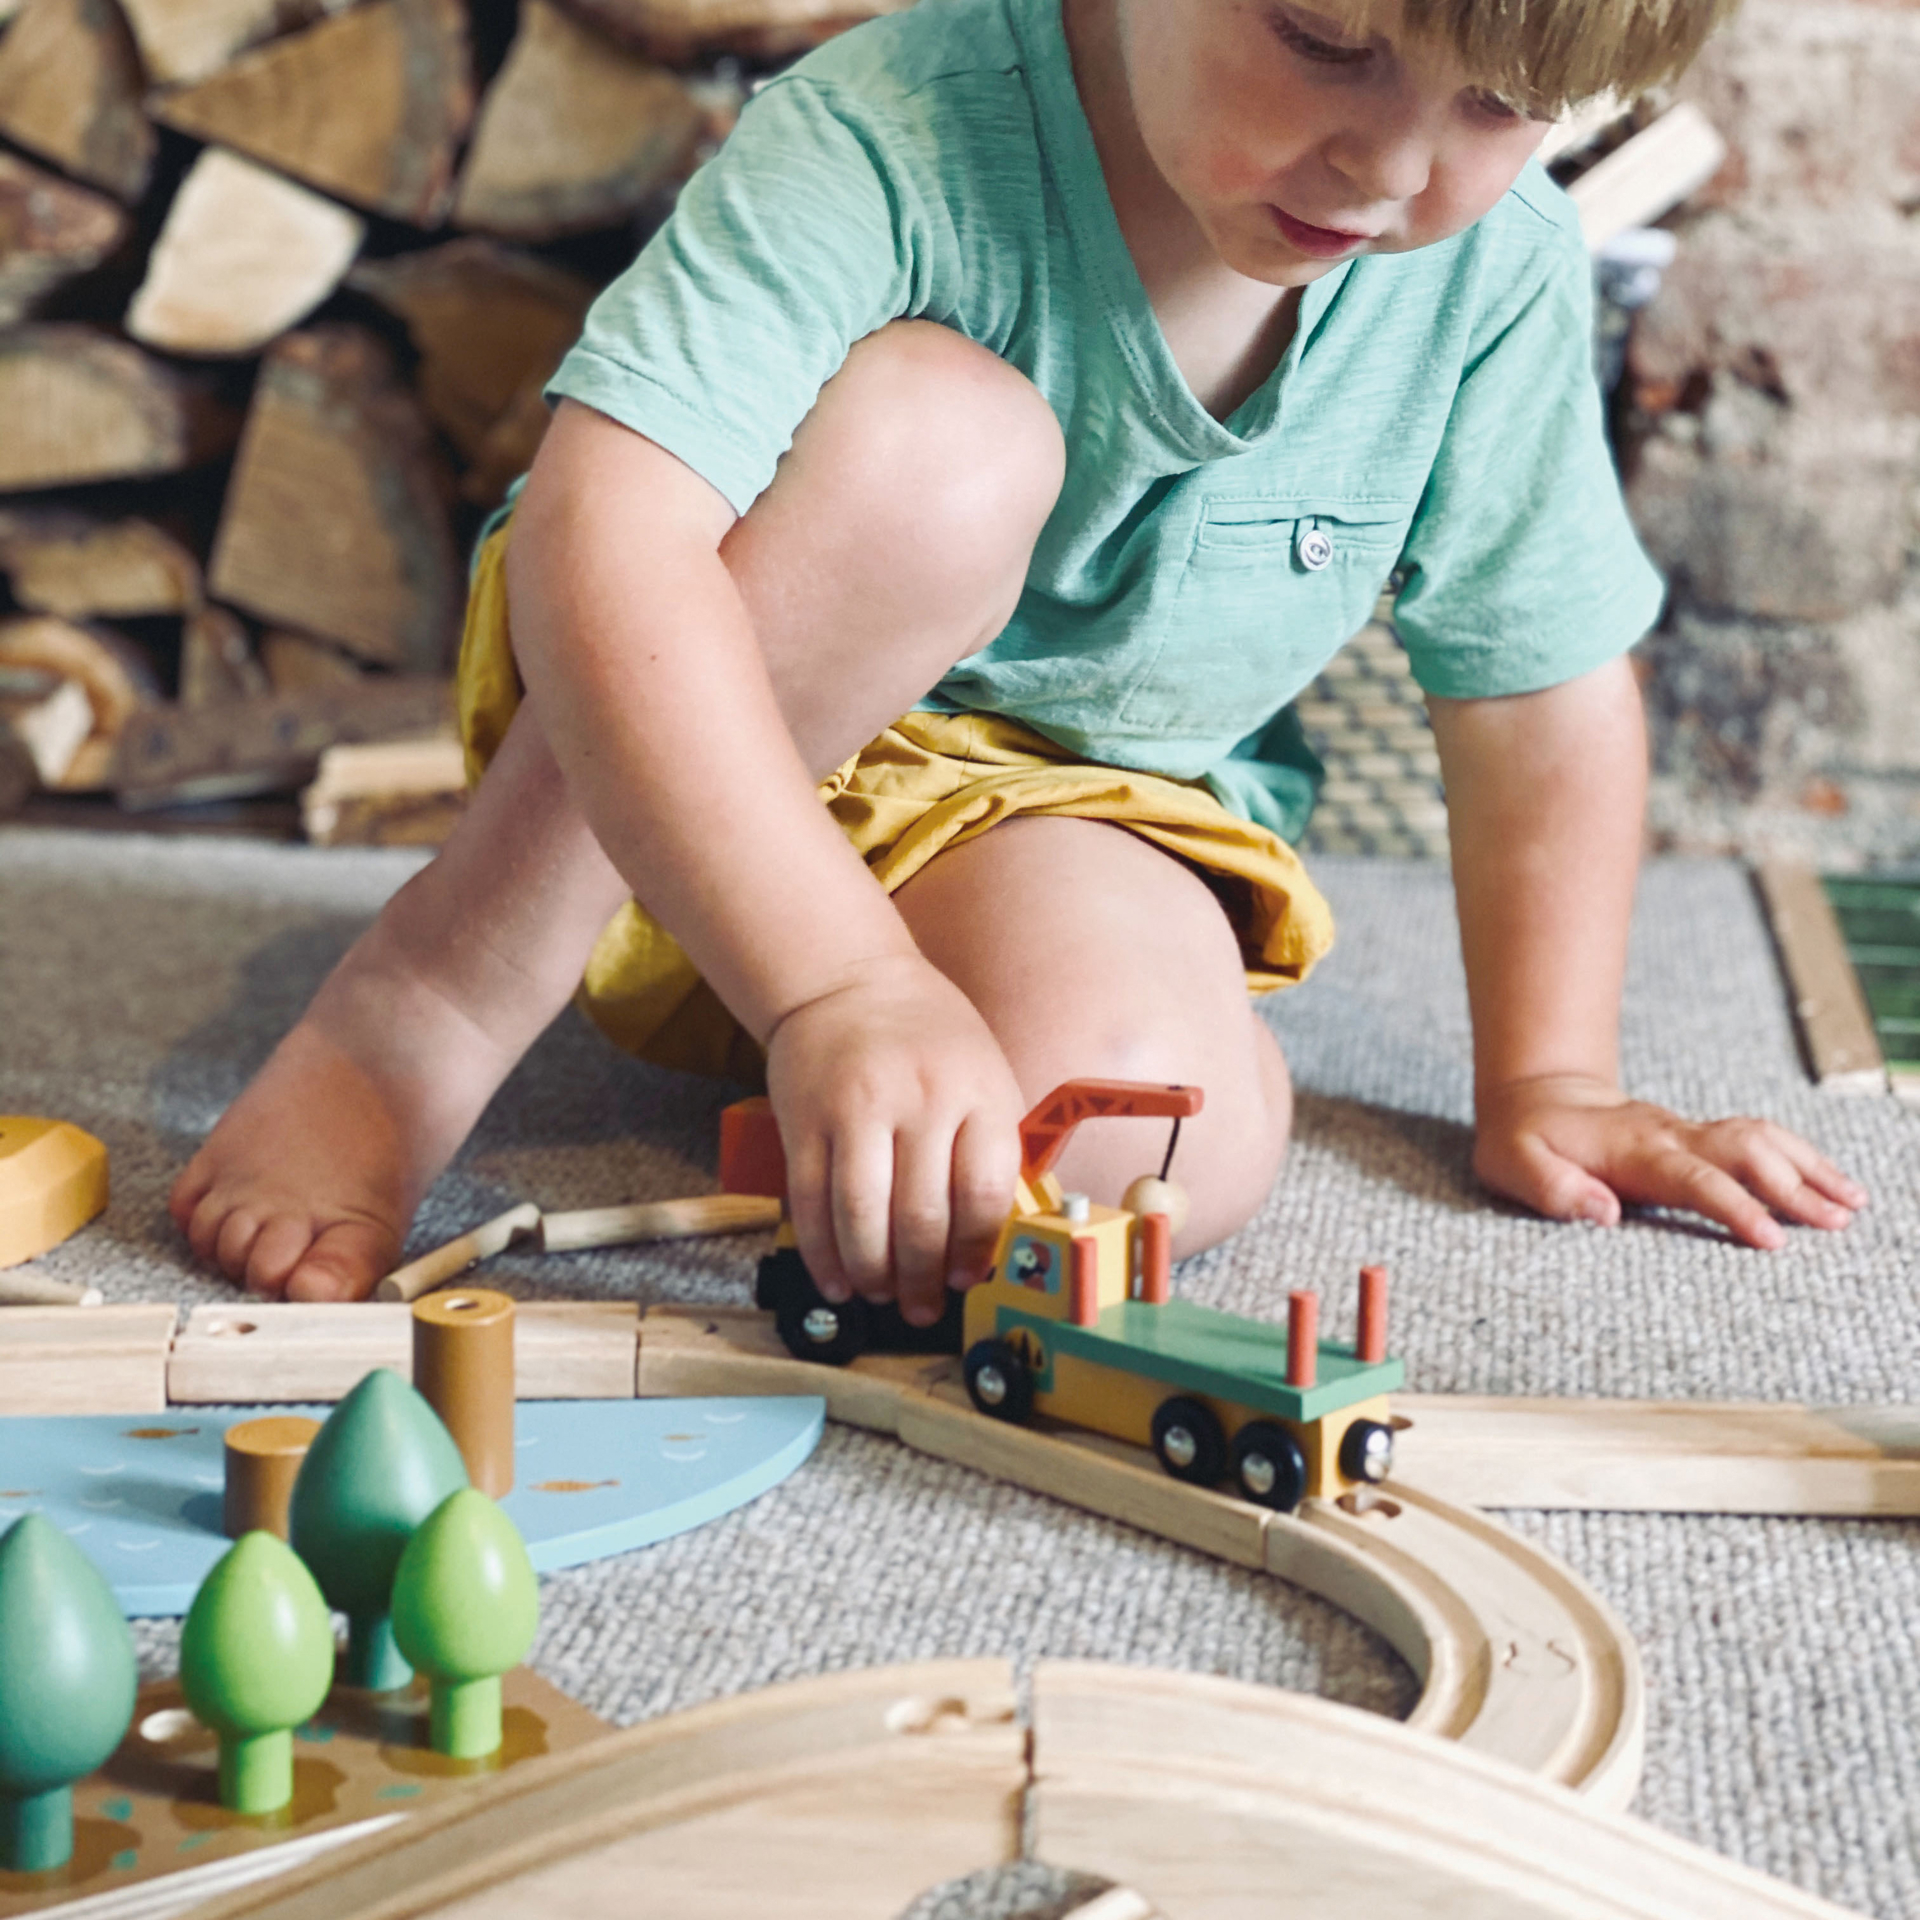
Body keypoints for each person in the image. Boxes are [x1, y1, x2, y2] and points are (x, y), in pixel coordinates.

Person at [170, 0, 1867, 1318]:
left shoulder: (1490, 279)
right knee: (948, 452)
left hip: (1050, 814)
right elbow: (605, 541)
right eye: (1323, 40)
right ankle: (425, 1009)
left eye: (1497, 105)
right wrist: (843, 983)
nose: (1390, 168)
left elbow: (1540, 692)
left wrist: (1553, 1078)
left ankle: (855, 1072)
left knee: (1156, 1138)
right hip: (679, 722)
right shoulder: (892, 127)